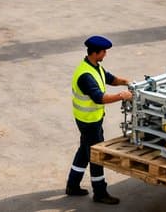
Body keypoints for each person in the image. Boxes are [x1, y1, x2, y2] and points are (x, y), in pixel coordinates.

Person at [66, 35, 132, 205]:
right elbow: (99, 98)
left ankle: (72, 185)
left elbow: (110, 79)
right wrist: (121, 96)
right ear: (95, 53)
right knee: (96, 156)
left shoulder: (95, 67)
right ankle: (100, 192)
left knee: (84, 150)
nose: (105, 54)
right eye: (103, 52)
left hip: (91, 119)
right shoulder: (85, 75)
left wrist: (125, 82)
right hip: (89, 121)